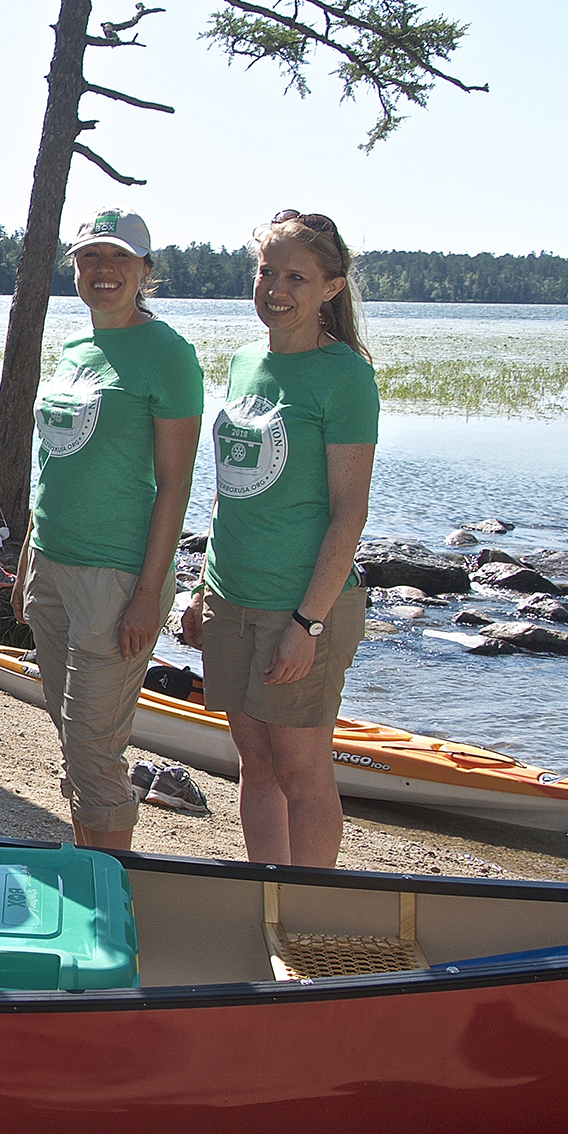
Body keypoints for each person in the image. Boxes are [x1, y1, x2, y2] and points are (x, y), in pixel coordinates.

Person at [180, 209, 377, 868]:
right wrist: (202, 586)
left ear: (331, 287)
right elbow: (230, 489)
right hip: (231, 600)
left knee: (302, 776)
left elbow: (349, 512)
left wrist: (308, 622)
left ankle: (309, 918)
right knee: (255, 766)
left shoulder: (345, 375)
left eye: (297, 274)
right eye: (268, 270)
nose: (277, 286)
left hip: (300, 607)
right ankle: (263, 899)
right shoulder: (243, 362)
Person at [14, 207, 203, 850]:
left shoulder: (169, 354)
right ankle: (87, 876)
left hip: (115, 574)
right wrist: (25, 563)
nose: (104, 270)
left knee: (95, 755)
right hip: (50, 566)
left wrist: (150, 593)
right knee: (75, 746)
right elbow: (50, 467)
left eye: (121, 258)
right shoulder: (75, 348)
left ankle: (108, 907)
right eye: (91, 256)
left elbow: (175, 485)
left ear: (146, 272)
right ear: (75, 266)